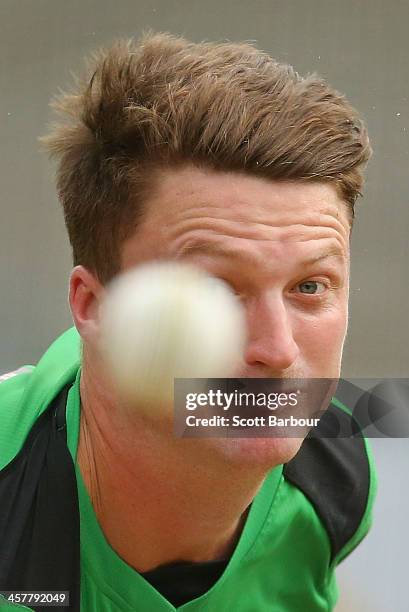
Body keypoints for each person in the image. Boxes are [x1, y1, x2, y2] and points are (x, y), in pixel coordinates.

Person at [0, 32, 377, 611]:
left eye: (309, 287)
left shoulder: (336, 480)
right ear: (93, 307)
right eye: (213, 293)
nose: (277, 350)